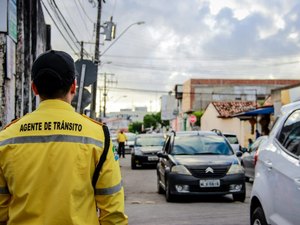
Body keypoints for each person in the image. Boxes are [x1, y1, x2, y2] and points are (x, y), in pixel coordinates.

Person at [0, 50, 128, 225]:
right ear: (74, 87)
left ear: (34, 88)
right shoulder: (98, 136)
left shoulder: (6, 137)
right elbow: (113, 212)